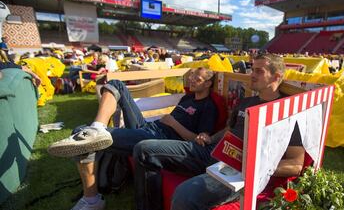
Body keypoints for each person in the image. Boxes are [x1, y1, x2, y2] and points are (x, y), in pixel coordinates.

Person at [47, 67, 218, 210]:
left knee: (80, 132)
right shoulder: (187, 97)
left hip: (158, 138)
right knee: (116, 84)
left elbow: (197, 139)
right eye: (192, 76)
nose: (192, 79)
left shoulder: (208, 107)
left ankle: (92, 200)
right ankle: (97, 128)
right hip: (149, 127)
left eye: (198, 78)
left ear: (208, 83)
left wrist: (173, 123)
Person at [169, 54, 306, 210]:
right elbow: (229, 130)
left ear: (276, 76)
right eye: (252, 70)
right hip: (214, 152)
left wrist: (255, 167)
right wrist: (210, 138)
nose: (251, 75)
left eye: (259, 71)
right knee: (147, 148)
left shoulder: (288, 111)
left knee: (184, 194)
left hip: (240, 171)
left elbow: (296, 164)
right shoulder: (245, 102)